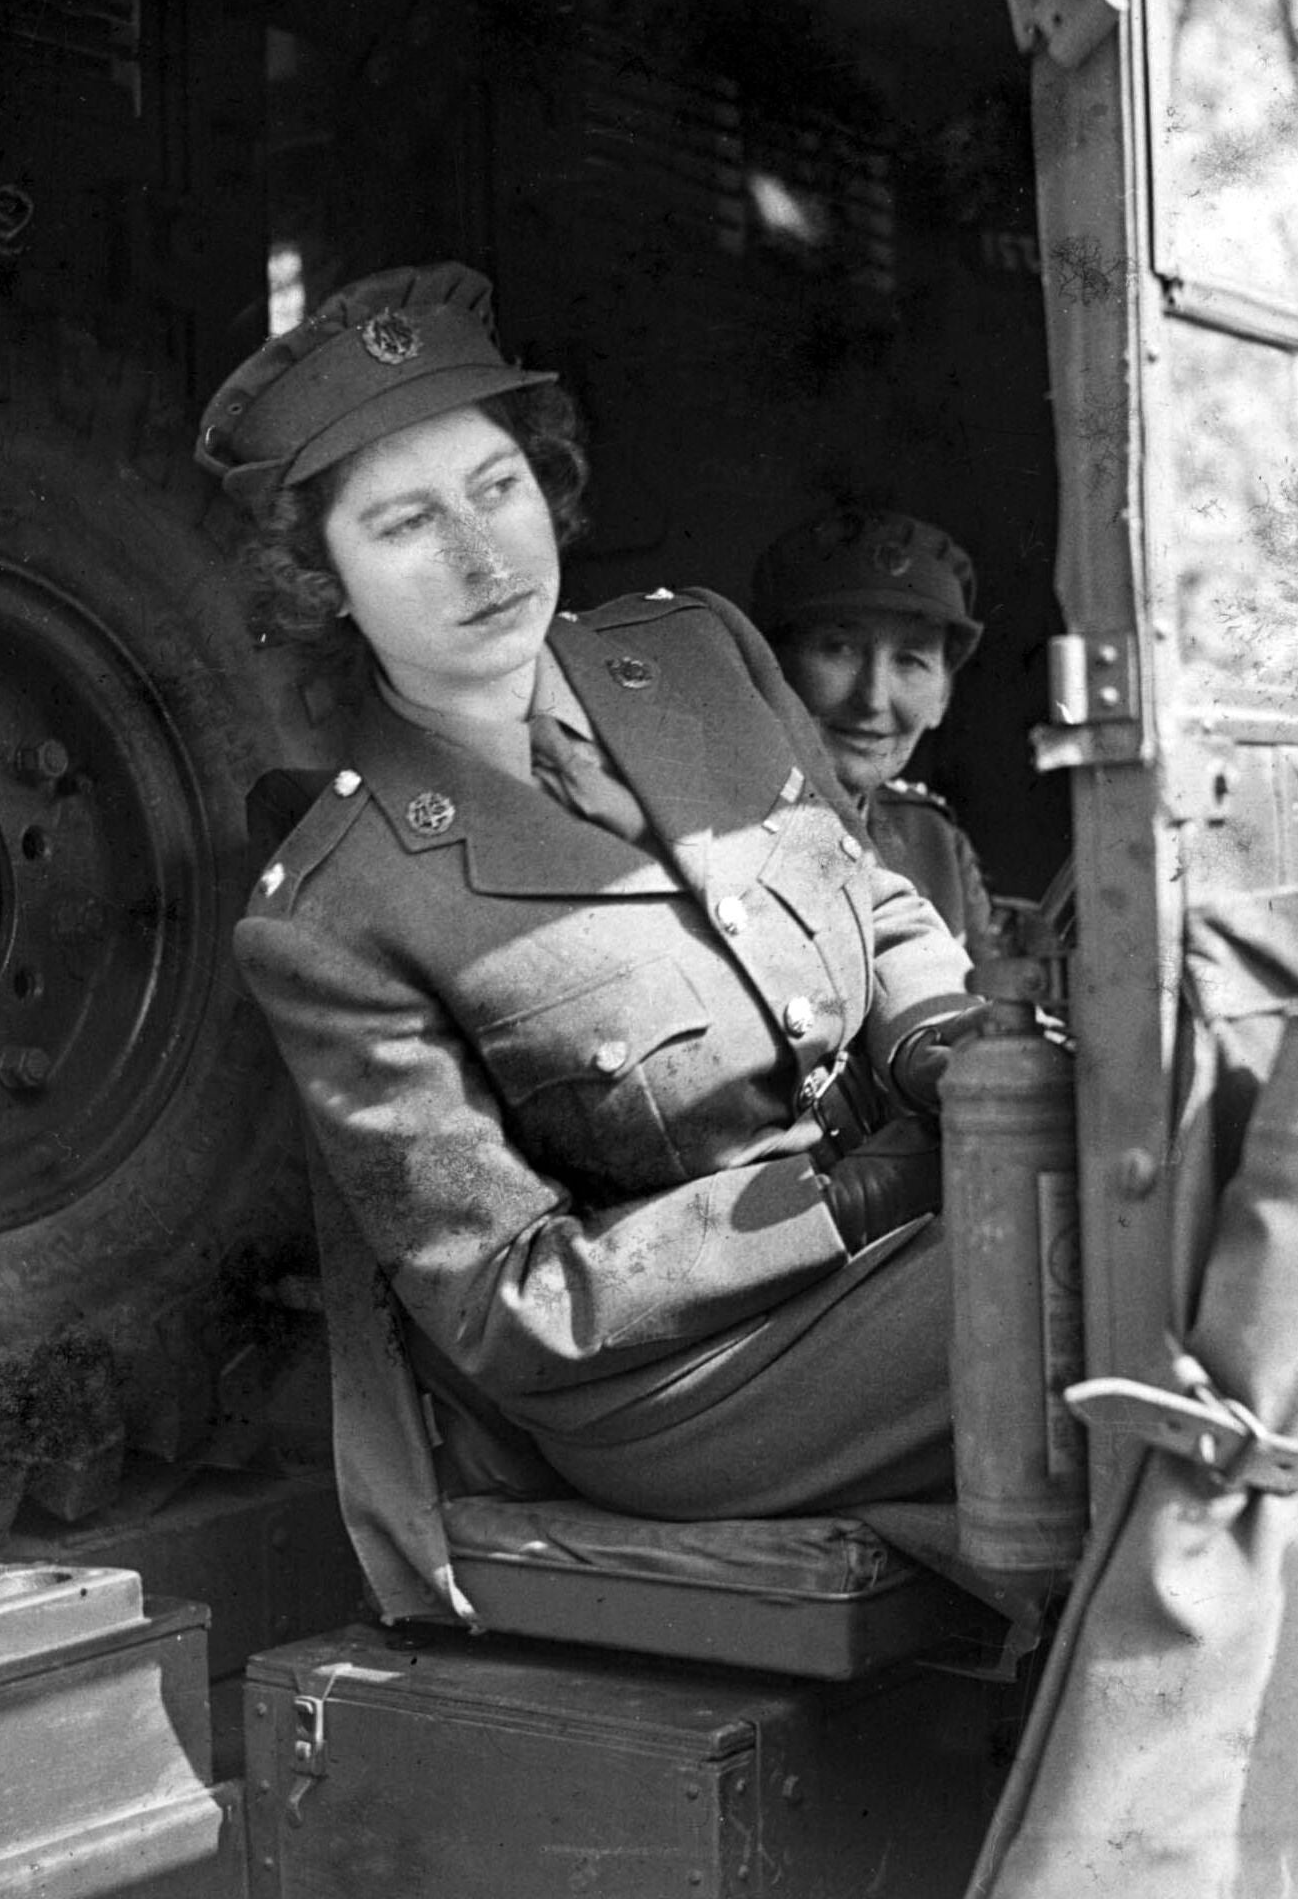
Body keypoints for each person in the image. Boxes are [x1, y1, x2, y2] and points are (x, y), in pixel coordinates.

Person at [197, 263, 980, 1622]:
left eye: (496, 490)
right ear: (318, 579)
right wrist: (853, 1202)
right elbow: (510, 1306)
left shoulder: (699, 660)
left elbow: (869, 897)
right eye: (402, 525)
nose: (481, 559)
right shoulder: (331, 911)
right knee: (1143, 1247)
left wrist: (939, 1047)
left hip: (915, 1240)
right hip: (700, 1385)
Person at [751, 509, 998, 958]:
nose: (874, 699)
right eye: (838, 648)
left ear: (942, 697)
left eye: (910, 659)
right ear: (773, 669)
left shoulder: (934, 844)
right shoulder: (716, 832)